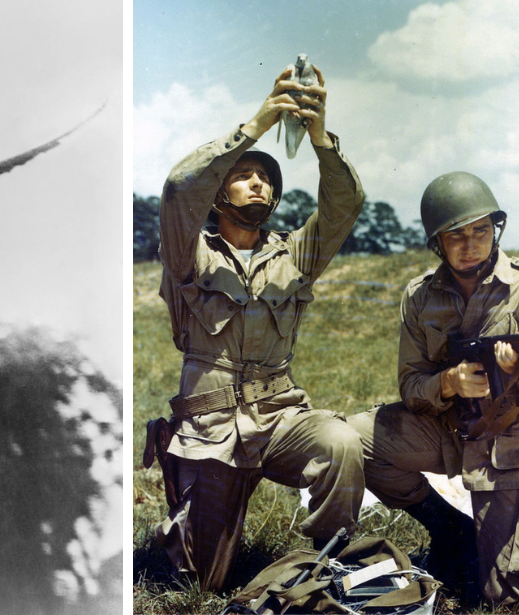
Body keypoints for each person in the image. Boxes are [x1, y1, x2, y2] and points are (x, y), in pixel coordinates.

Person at [144, 63, 366, 591]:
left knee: (341, 443)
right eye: (244, 175)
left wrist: (317, 135)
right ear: (218, 196)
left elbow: (344, 204)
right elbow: (178, 188)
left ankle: (328, 567)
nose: (258, 182)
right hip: (211, 430)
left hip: (278, 417)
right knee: (199, 586)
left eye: (265, 177)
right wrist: (260, 123)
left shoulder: (296, 254)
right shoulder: (187, 254)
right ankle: (174, 531)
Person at [348, 171, 519, 607]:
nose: (471, 244)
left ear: (497, 230)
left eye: (481, 231)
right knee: (351, 439)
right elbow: (411, 385)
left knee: (508, 596)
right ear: (437, 242)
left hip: (517, 449)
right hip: (452, 432)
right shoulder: (419, 296)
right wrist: (448, 383)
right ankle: (448, 527)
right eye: (457, 235)